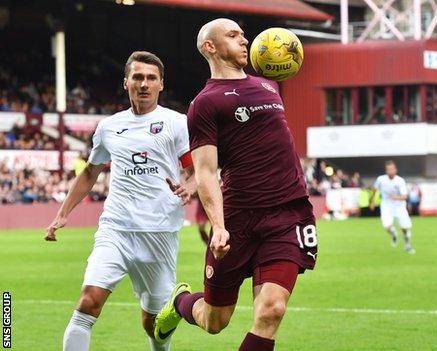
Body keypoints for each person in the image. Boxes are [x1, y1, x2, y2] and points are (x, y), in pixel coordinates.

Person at [153, 18, 317, 351]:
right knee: (215, 320)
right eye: (233, 35)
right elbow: (206, 171)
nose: (244, 40)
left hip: (287, 215)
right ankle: (181, 302)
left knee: (272, 310)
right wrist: (219, 226)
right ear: (209, 47)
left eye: (243, 34)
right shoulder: (205, 103)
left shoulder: (269, 86)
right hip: (239, 221)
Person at [45, 51, 195, 351]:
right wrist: (63, 213)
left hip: (159, 233)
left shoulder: (177, 124)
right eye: (138, 77)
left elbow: (195, 171)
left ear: (161, 85)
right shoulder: (109, 127)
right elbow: (90, 171)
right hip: (116, 229)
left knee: (153, 322)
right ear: (126, 82)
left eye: (151, 78)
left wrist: (189, 187)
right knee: (89, 301)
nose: (144, 83)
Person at [370, 160, 414, 254]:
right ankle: (394, 234)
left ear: (396, 170)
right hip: (386, 205)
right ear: (386, 171)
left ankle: (407, 245)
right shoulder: (381, 179)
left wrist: (396, 197)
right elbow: (374, 189)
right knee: (386, 226)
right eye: (389, 169)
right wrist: (373, 201)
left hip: (399, 207)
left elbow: (405, 196)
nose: (391, 171)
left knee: (405, 228)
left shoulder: (400, 181)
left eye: (392, 169)